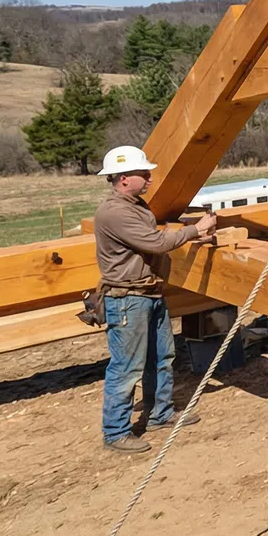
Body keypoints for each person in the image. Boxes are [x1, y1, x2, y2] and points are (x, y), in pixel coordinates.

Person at [92, 145, 216, 453]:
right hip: (127, 300)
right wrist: (194, 229)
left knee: (162, 357)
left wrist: (192, 236)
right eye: (143, 173)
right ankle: (115, 431)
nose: (149, 178)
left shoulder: (136, 205)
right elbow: (156, 242)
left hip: (148, 292)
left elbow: (149, 240)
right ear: (123, 179)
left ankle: (161, 413)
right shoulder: (115, 212)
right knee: (127, 367)